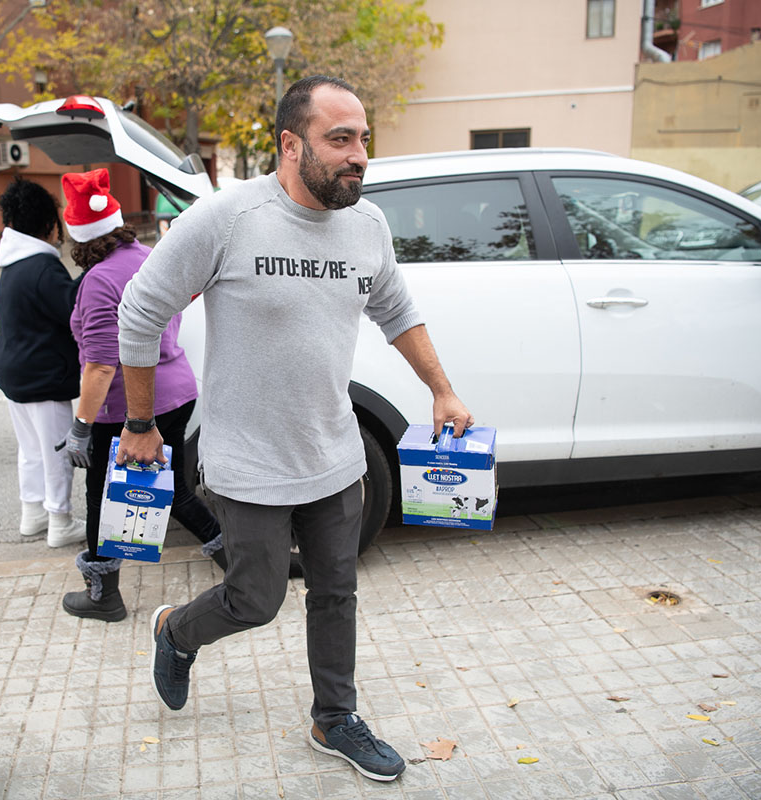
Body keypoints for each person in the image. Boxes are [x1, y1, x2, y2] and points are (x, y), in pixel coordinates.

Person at [116, 76, 474, 783]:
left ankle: (333, 716)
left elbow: (397, 311)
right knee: (256, 599)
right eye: (340, 139)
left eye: (363, 139)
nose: (359, 156)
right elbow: (139, 310)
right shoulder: (228, 218)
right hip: (247, 458)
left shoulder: (366, 224)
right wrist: (139, 422)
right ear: (290, 145)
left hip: (334, 453)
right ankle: (176, 632)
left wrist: (442, 388)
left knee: (337, 592)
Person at [55, 169, 225, 623]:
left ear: (78, 236)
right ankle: (243, 563)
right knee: (172, 490)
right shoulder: (149, 256)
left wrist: (80, 428)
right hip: (177, 389)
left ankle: (103, 595)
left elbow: (101, 364)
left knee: (102, 494)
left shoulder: (96, 281)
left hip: (128, 406)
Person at [0, 179, 86, 547]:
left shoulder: (13, 264)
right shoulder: (44, 267)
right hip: (42, 375)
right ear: (49, 225)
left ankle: (33, 514)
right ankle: (60, 521)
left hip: (14, 372)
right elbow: (71, 309)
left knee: (31, 449)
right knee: (57, 450)